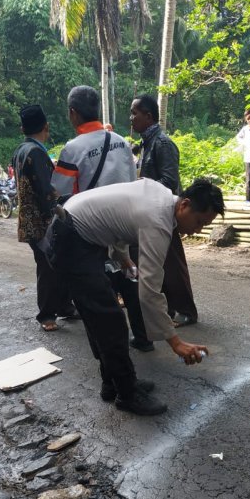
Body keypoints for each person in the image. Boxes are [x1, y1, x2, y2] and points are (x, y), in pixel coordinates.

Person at [45, 178, 224, 415]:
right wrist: (176, 342)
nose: (197, 230)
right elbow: (150, 290)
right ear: (185, 205)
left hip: (77, 233)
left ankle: (113, 383)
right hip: (71, 239)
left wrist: (124, 259)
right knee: (110, 321)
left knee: (100, 318)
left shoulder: (162, 199)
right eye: (199, 222)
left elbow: (118, 226)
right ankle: (127, 394)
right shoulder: (158, 220)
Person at [52, 86, 153, 351]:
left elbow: (61, 196)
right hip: (124, 225)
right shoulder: (121, 142)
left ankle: (108, 351)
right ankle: (143, 338)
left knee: (100, 294)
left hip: (90, 232)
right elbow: (133, 183)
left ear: (73, 113)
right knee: (129, 279)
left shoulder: (72, 150)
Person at [130, 94, 198, 328]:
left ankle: (187, 311)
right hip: (151, 212)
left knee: (172, 263)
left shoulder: (163, 143)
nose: (131, 119)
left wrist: (144, 189)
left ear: (148, 116)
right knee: (158, 263)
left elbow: (169, 181)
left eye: (135, 113)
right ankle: (170, 309)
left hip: (165, 212)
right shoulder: (146, 144)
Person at [11, 104, 77, 332]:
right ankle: (47, 314)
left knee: (59, 263)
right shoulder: (36, 153)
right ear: (46, 127)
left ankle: (65, 307)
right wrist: (62, 209)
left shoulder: (20, 150)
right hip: (42, 223)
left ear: (22, 128)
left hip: (29, 219)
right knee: (48, 268)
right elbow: (46, 190)